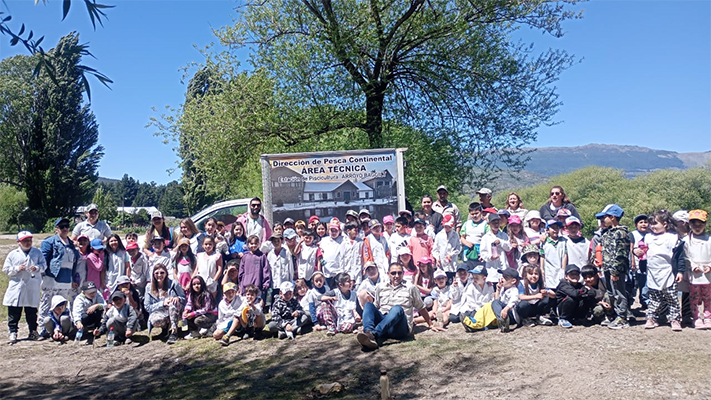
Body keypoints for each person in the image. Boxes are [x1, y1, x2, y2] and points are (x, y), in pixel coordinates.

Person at [356, 262, 444, 350]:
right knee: (368, 305)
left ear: (403, 273)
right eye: (393, 273)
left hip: (399, 327)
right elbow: (376, 307)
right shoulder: (380, 287)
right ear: (388, 274)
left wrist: (430, 324)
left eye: (399, 273)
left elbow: (421, 307)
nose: (396, 276)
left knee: (397, 309)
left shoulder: (411, 288)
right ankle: (368, 332)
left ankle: (373, 335)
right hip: (384, 322)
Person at [3, 231, 46, 343]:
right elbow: (6, 269)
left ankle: (33, 331)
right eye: (25, 241)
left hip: (32, 284)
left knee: (31, 311)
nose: (28, 242)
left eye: (29, 240)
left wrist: (36, 268)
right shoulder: (13, 254)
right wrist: (17, 268)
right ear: (19, 242)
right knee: (14, 310)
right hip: (17, 285)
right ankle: (13, 332)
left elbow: (44, 266)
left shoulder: (37, 252)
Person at [644, 209, 683, 331]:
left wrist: (680, 271)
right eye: (651, 224)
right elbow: (641, 251)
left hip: (668, 272)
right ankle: (651, 318)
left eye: (655, 223)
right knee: (654, 298)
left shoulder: (673, 237)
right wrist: (637, 252)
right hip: (652, 272)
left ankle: (675, 319)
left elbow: (680, 256)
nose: (652, 226)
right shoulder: (648, 237)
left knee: (672, 297)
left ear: (665, 223)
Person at [596, 204, 632, 330]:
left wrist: (616, 271)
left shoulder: (620, 233)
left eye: (605, 217)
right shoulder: (606, 233)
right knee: (611, 292)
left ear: (612, 217)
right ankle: (614, 315)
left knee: (619, 293)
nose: (602, 220)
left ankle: (622, 317)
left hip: (616, 270)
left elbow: (621, 254)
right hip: (606, 268)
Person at [40, 218, 79, 322]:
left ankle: (59, 327)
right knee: (46, 304)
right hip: (52, 278)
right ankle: (43, 328)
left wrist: (72, 278)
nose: (65, 228)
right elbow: (43, 260)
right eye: (62, 226)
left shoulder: (71, 244)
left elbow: (75, 262)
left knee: (61, 305)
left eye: (67, 226)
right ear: (56, 229)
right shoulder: (49, 242)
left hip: (66, 278)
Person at [144, 264, 186, 344]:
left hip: (175, 310)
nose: (159, 275)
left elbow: (184, 298)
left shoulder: (174, 283)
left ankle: (174, 331)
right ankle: (165, 328)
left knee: (173, 304)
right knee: (155, 320)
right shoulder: (148, 288)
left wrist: (178, 298)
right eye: (157, 273)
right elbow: (147, 307)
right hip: (159, 312)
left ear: (166, 273)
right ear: (153, 274)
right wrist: (162, 303)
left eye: (162, 273)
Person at [684, 209, 711, 329]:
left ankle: (708, 317)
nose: (697, 227)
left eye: (701, 224)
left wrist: (710, 265)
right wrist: (693, 265)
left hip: (708, 274)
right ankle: (696, 317)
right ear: (689, 225)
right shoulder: (686, 240)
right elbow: (685, 256)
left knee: (708, 297)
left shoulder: (709, 239)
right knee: (694, 297)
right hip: (694, 274)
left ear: (705, 224)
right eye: (694, 224)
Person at [555, 264, 597, 328]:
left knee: (587, 298)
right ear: (566, 276)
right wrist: (585, 290)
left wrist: (586, 292)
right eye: (572, 274)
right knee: (571, 299)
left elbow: (592, 293)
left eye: (577, 274)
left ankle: (580, 318)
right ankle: (563, 319)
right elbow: (574, 293)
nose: (575, 276)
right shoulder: (563, 285)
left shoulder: (579, 285)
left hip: (574, 310)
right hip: (562, 309)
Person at [480, 213, 512, 284]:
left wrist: (500, 242)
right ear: (489, 224)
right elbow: (483, 252)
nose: (496, 225)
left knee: (503, 283)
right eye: (493, 223)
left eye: (497, 223)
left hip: (503, 264)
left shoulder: (504, 235)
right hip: (491, 267)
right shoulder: (485, 237)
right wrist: (490, 257)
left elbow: (509, 247)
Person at [540, 220, 568, 291]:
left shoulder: (563, 241)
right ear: (547, 230)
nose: (555, 230)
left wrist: (563, 268)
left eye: (557, 228)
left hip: (560, 269)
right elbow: (542, 256)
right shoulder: (544, 242)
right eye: (553, 228)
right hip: (549, 271)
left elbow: (565, 255)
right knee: (550, 290)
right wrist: (542, 269)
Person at [629, 214, 650, 310]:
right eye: (641, 222)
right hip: (636, 265)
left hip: (648, 264)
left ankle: (645, 302)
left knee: (646, 284)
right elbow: (631, 248)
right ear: (636, 225)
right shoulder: (633, 234)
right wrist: (632, 263)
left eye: (646, 222)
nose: (644, 224)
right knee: (634, 284)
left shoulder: (651, 234)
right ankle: (631, 303)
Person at [267, 233, 294, 304]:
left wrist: (290, 281)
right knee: (275, 300)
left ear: (281, 241)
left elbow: (290, 268)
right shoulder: (270, 254)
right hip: (274, 282)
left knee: (284, 300)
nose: (276, 243)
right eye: (274, 241)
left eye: (278, 241)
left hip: (284, 280)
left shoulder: (286, 252)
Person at [320, 218, 344, 286]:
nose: (333, 232)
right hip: (327, 273)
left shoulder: (343, 240)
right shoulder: (324, 240)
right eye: (331, 230)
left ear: (339, 231)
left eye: (335, 230)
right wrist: (323, 263)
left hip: (338, 272)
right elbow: (321, 254)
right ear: (328, 230)